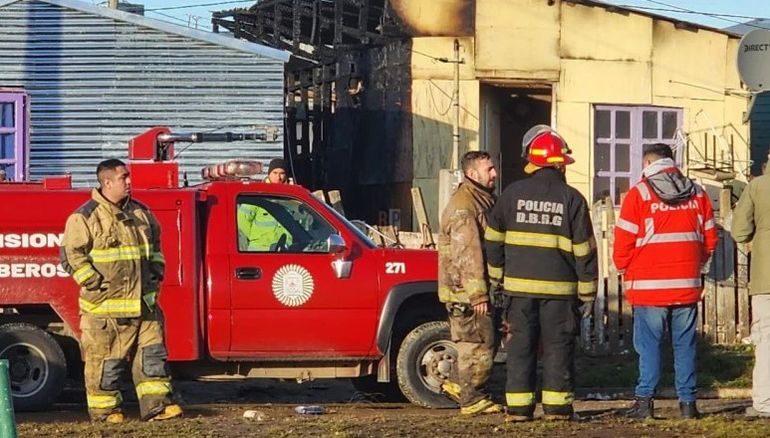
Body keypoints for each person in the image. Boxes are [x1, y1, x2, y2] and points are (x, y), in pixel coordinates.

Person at [485, 125, 597, 422]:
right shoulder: (572, 199)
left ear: (532, 162)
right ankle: (557, 409)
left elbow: (493, 242)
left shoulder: (510, 195)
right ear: (559, 163)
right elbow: (584, 250)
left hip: (518, 292)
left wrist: (497, 280)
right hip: (560, 294)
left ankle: (519, 410)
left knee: (520, 348)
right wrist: (587, 293)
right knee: (558, 348)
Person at [61, 159, 182, 423]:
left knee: (152, 357)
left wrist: (156, 272)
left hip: (145, 305)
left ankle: (157, 407)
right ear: (107, 182)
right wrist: (93, 282)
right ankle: (106, 412)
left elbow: (156, 246)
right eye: (123, 177)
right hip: (106, 311)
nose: (129, 182)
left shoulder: (141, 213)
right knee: (106, 362)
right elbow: (71, 256)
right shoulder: (85, 217)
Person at [614, 143, 717, 420]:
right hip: (686, 285)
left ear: (648, 162)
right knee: (685, 345)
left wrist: (624, 268)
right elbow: (710, 238)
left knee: (648, 346)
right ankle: (688, 405)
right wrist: (697, 267)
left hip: (648, 288)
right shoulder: (697, 193)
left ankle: (645, 402)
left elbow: (623, 242)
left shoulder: (640, 194)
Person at [437, 150, 502, 415]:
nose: (495, 173)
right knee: (477, 344)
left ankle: (458, 384)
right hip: (466, 293)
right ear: (472, 173)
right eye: (489, 169)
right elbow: (468, 253)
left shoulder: (479, 199)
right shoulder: (465, 206)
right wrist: (478, 296)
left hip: (467, 290)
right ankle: (472, 399)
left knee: (479, 341)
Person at [732, 165, 770, 418]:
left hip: (766, 275)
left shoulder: (758, 186)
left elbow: (739, 231)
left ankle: (765, 403)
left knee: (766, 340)